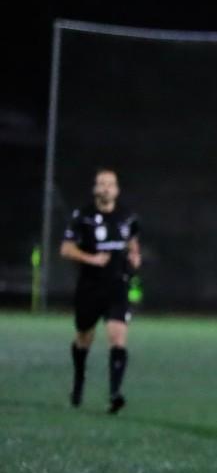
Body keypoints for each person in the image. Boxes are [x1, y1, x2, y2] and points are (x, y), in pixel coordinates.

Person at [60, 167, 142, 414]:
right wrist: (91, 259)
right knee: (84, 337)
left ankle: (115, 394)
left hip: (118, 286)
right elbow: (65, 249)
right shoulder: (82, 216)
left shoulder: (127, 217)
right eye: (101, 184)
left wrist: (135, 256)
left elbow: (133, 243)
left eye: (110, 184)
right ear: (95, 188)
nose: (106, 188)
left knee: (117, 338)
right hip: (90, 287)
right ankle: (78, 384)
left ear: (116, 189)